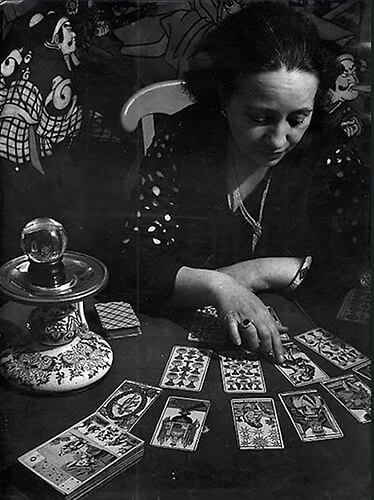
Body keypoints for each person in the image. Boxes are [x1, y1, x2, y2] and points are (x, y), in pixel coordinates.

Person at [116, 2, 328, 364]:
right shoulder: (183, 137)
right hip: (185, 340)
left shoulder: (330, 148)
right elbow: (134, 261)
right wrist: (219, 284)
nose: (278, 139)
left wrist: (255, 272)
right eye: (260, 117)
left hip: (291, 344)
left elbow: (354, 269)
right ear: (224, 96)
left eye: (297, 119)